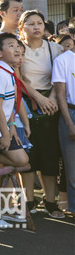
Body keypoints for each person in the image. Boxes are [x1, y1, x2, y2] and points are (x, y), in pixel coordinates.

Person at [17, 10, 65, 218]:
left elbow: (59, 77)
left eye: (40, 23)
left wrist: (52, 98)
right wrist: (39, 98)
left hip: (51, 103)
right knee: (29, 153)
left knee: (50, 152)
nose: (37, 27)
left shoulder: (55, 48)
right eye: (31, 24)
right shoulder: (17, 49)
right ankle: (28, 200)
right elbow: (19, 80)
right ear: (21, 28)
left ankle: (51, 201)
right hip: (27, 102)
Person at [0, 33, 30, 227]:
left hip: (0, 129)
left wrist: (11, 126)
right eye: (11, 45)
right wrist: (4, 133)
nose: (17, 49)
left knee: (21, 160)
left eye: (18, 45)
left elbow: (8, 106)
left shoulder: (7, 71)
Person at [52, 38, 75, 214]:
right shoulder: (63, 60)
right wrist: (69, 123)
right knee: (72, 169)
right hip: (71, 113)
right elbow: (60, 96)